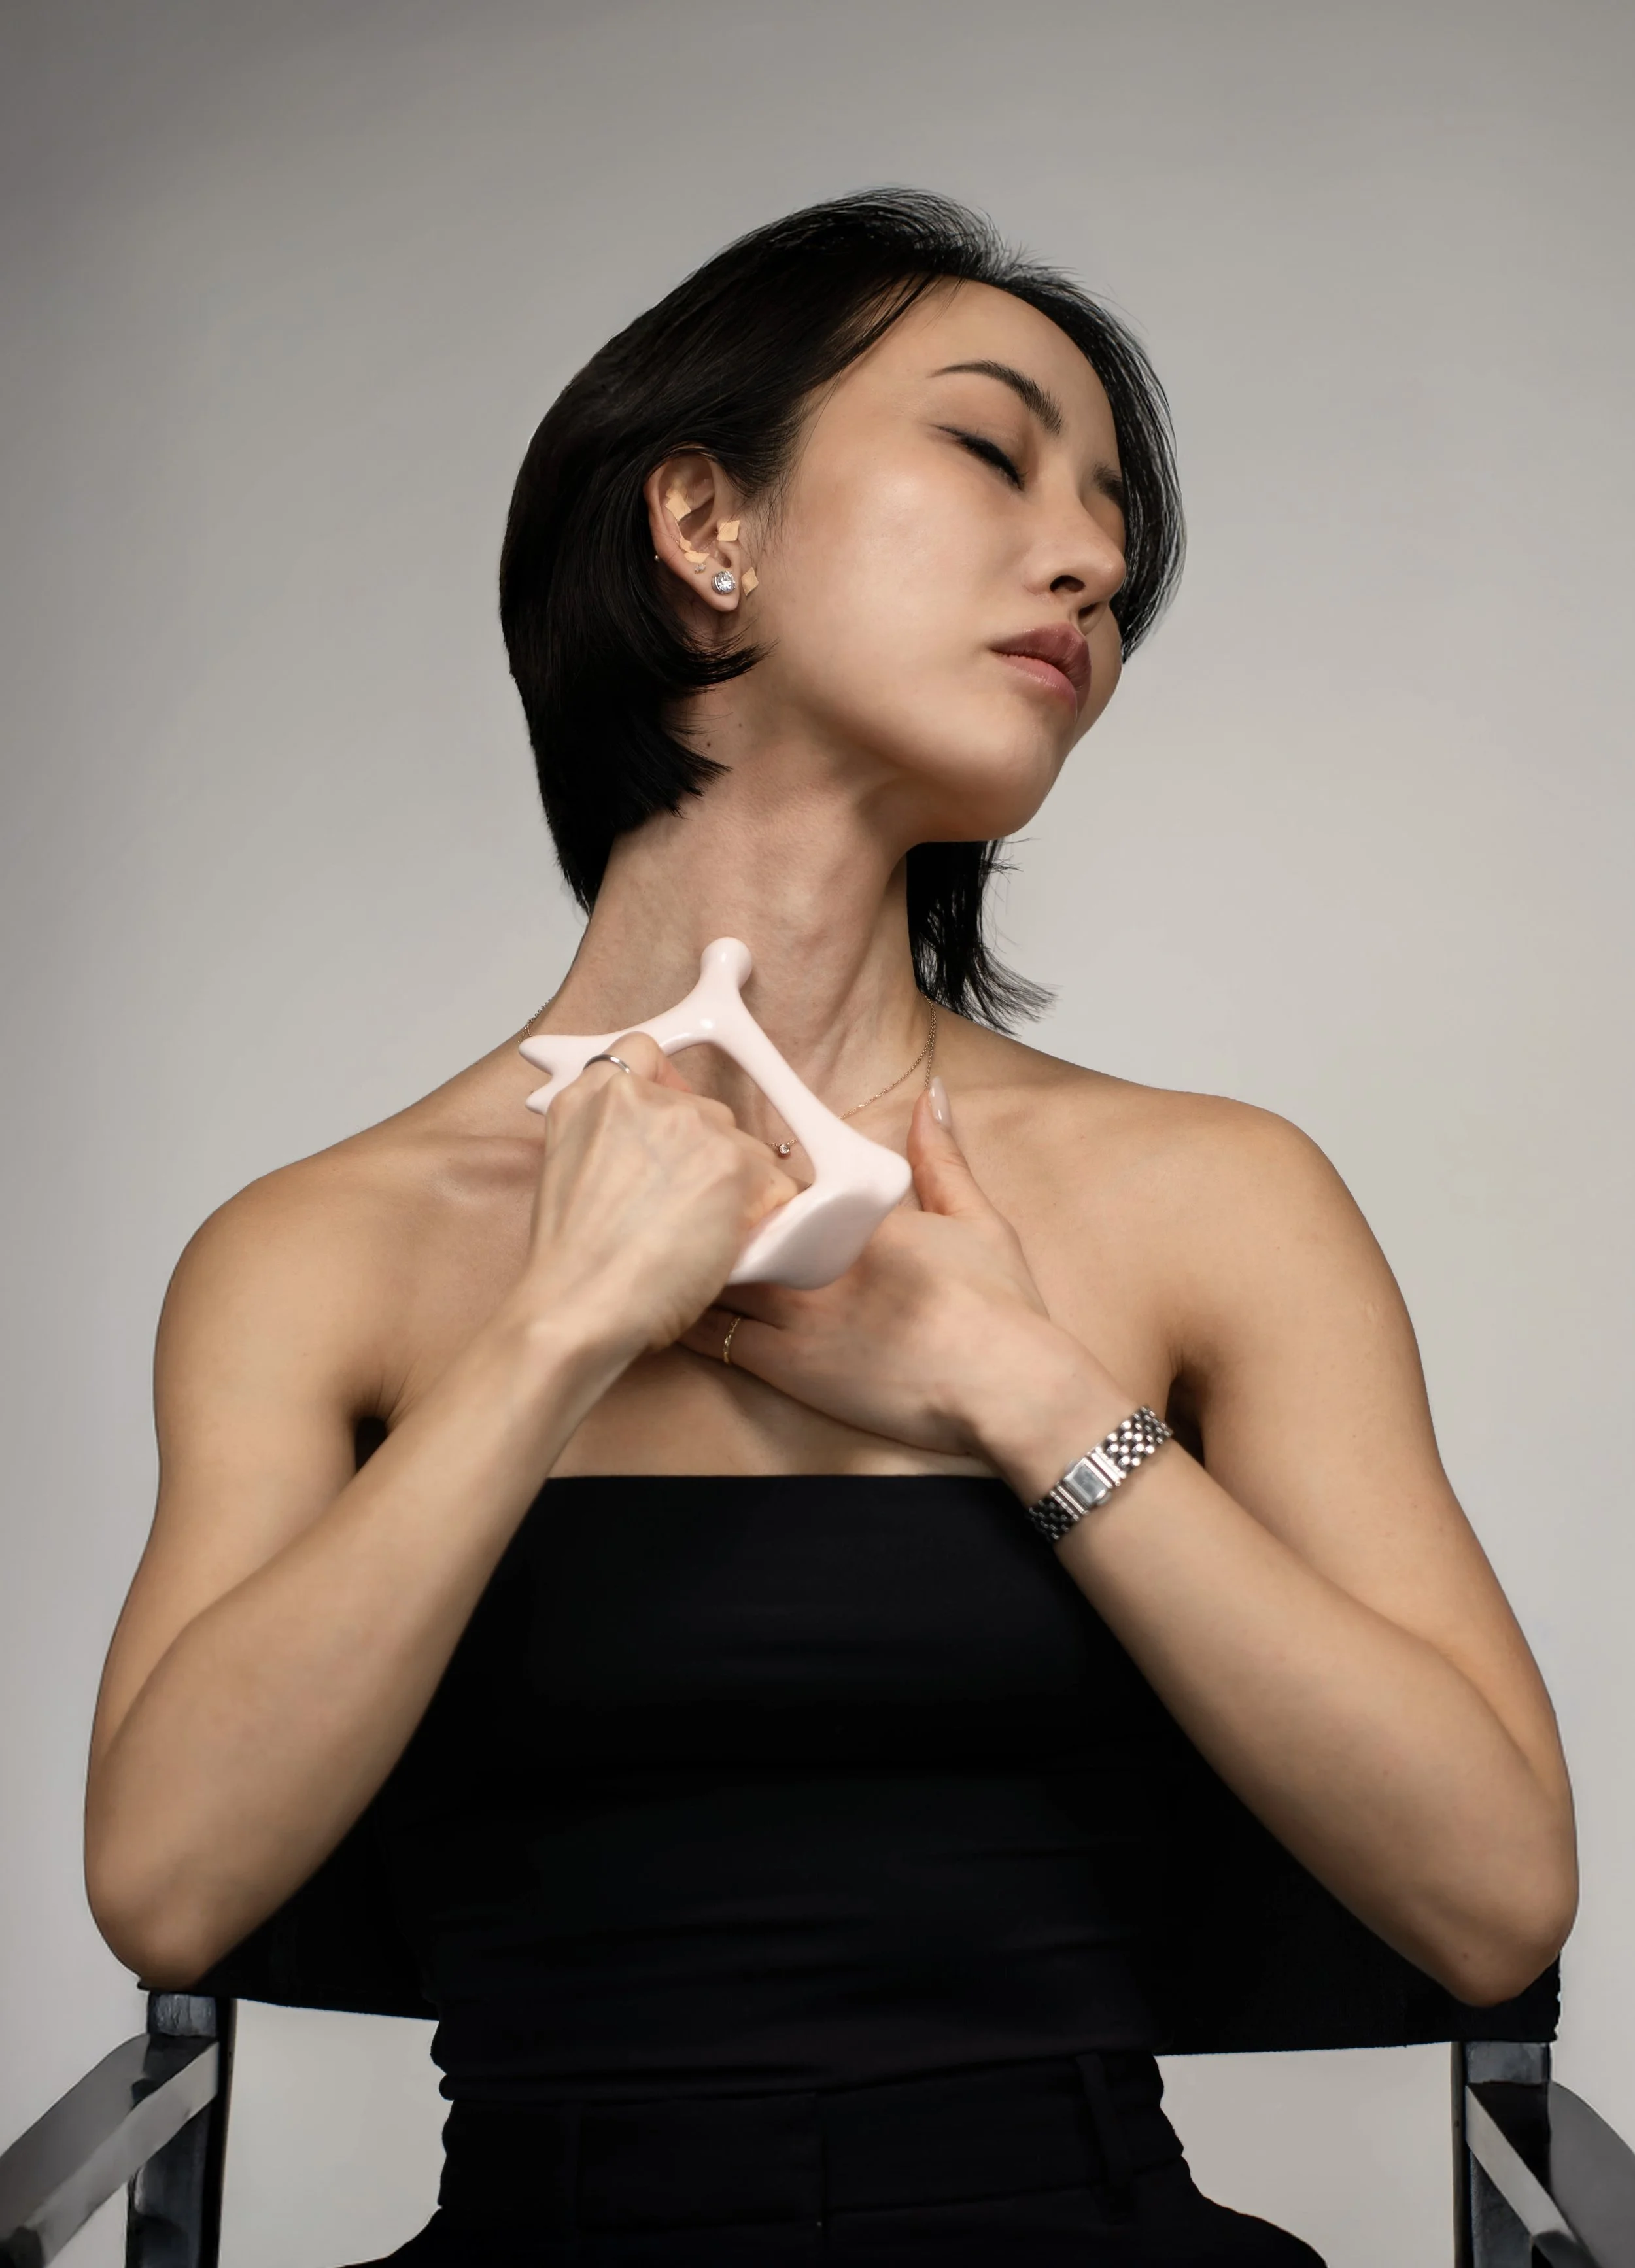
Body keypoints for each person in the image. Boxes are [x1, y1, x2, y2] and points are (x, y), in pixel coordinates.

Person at [82, 190, 1577, 2265]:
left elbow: (1491, 1896)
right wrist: (552, 1335)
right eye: (992, 451)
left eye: (1112, 520)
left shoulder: (1214, 1197)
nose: (1093, 557)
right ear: (707, 531)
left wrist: (1016, 1383)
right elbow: (169, 1889)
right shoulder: (319, 1249)